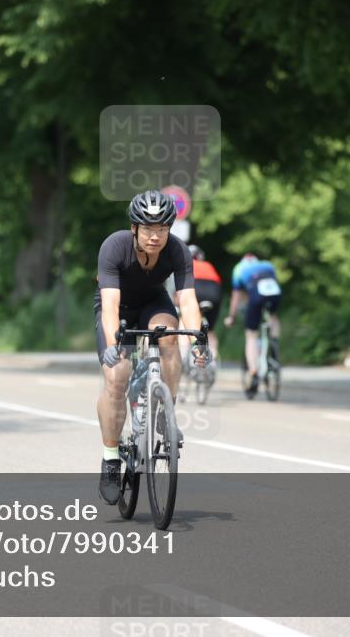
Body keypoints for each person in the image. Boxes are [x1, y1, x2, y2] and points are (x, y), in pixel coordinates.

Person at [94, 190, 212, 504]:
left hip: (152, 303)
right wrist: (112, 345)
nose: (155, 236)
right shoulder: (114, 247)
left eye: (162, 229)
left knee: (169, 336)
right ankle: (110, 459)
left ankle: (165, 410)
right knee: (118, 376)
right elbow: (110, 306)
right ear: (134, 228)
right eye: (148, 228)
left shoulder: (177, 250)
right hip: (118, 307)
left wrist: (198, 340)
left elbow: (187, 300)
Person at [224, 253, 282, 391]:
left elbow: (236, 297)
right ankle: (274, 343)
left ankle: (253, 372)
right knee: (273, 316)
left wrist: (231, 317)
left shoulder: (239, 269)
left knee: (251, 335)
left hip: (256, 294)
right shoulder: (267, 264)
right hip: (275, 293)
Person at [176, 244, 223, 366]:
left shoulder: (185, 265)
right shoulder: (208, 265)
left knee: (183, 318)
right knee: (210, 330)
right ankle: (212, 359)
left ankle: (182, 354)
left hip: (196, 286)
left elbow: (179, 293)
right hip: (214, 291)